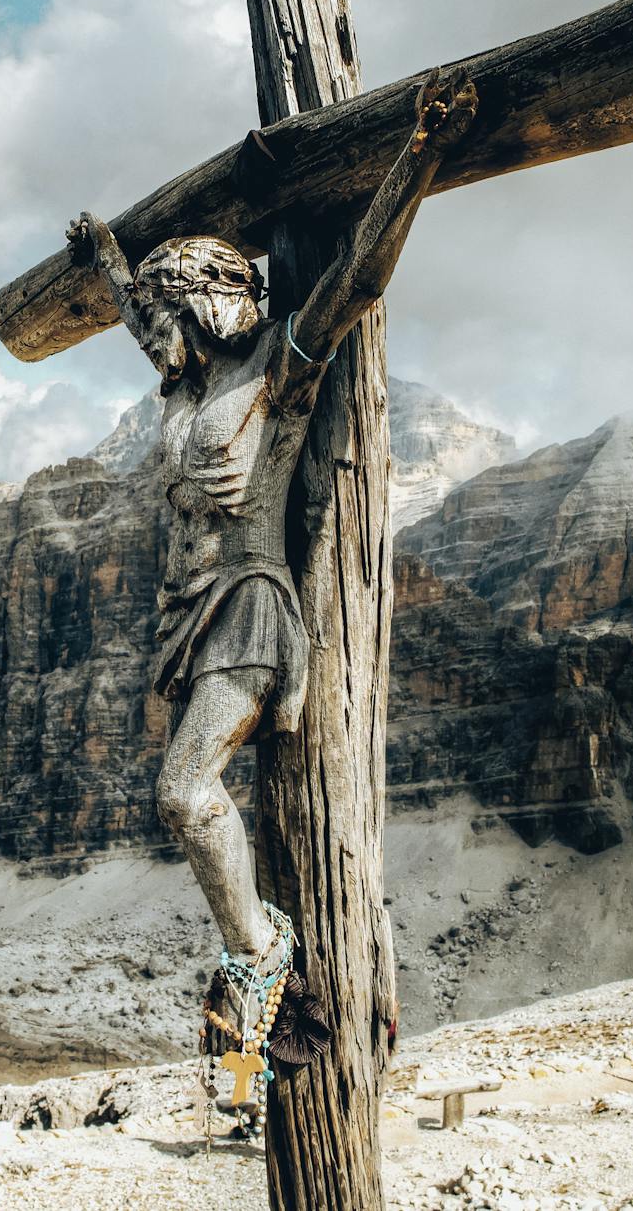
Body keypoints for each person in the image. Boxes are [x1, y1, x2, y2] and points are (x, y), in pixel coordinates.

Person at [62, 72, 477, 1086]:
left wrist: (415, 161)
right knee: (185, 794)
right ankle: (260, 962)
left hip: (249, 602)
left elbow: (353, 284)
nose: (147, 337)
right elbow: (134, 316)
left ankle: (259, 955)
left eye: (162, 316)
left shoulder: (274, 376)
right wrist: (110, 264)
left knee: (183, 789)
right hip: (186, 614)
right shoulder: (184, 380)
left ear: (199, 307)